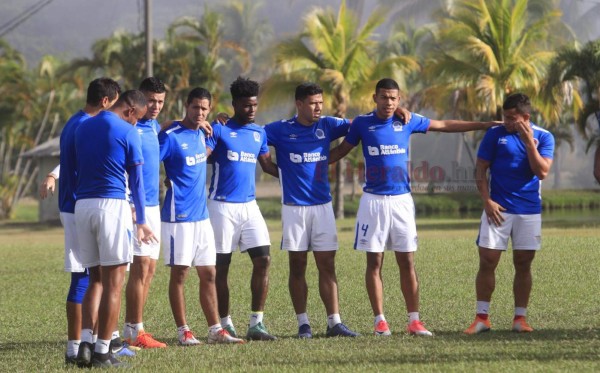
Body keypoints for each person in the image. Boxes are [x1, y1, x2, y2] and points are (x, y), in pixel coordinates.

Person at [329, 78, 496, 337]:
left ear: (399, 99)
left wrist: (484, 125)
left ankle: (414, 321)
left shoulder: (407, 120)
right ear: (375, 98)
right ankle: (380, 321)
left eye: (393, 98)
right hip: (372, 201)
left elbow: (444, 125)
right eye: (384, 97)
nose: (389, 102)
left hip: (402, 201)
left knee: (407, 260)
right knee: (374, 261)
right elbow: (340, 151)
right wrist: (310, 164)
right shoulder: (362, 123)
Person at [262, 83, 365, 338]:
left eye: (320, 102)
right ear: (299, 104)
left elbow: (359, 123)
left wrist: (397, 112)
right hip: (294, 209)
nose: (318, 107)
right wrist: (285, 173)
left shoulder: (328, 125)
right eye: (312, 103)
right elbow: (252, 135)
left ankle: (334, 322)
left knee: (327, 265)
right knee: (297, 265)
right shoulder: (280, 129)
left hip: (323, 206)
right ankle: (303, 324)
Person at [39, 78, 120, 364]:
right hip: (77, 207)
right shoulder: (84, 125)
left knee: (90, 275)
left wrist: (52, 174)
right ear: (106, 102)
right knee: (85, 276)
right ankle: (75, 350)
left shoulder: (75, 121)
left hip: (76, 206)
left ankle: (92, 343)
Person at [74, 90, 157, 368]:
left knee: (94, 278)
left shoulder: (83, 126)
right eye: (138, 119)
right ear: (131, 111)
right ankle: (102, 351)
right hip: (111, 207)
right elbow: (137, 182)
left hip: (83, 206)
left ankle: (85, 343)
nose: (137, 124)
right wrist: (142, 220)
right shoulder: (127, 131)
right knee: (114, 283)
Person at [464, 93, 554, 334]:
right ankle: (482, 318)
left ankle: (520, 319)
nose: (506, 121)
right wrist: (487, 201)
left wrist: (528, 143)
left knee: (523, 263)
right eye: (504, 116)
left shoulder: (544, 137)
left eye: (512, 118)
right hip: (497, 209)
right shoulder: (495, 135)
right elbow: (481, 168)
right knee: (487, 260)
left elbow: (542, 172)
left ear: (526, 117)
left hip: (528, 211)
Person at [160, 87, 244, 346]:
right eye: (195, 107)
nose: (199, 112)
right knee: (180, 274)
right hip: (178, 216)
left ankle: (215, 329)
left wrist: (216, 118)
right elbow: (150, 160)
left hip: (202, 217)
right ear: (186, 105)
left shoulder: (204, 134)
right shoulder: (171, 136)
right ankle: (183, 331)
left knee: (209, 273)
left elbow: (213, 141)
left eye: (204, 108)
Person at [207, 77, 278, 341]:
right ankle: (225, 324)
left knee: (264, 259)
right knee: (220, 268)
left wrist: (298, 174)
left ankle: (256, 324)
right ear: (235, 104)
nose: (252, 110)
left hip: (249, 206)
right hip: (221, 206)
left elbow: (268, 167)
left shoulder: (259, 133)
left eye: (255, 105)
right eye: (247, 106)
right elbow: (201, 155)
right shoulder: (219, 129)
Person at [122, 77, 167, 349]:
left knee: (149, 269)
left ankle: (137, 327)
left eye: (160, 101)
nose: (155, 106)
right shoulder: (129, 127)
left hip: (153, 206)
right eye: (151, 100)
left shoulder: (155, 126)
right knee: (139, 267)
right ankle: (131, 330)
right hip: (134, 206)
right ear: (140, 98)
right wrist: (129, 205)